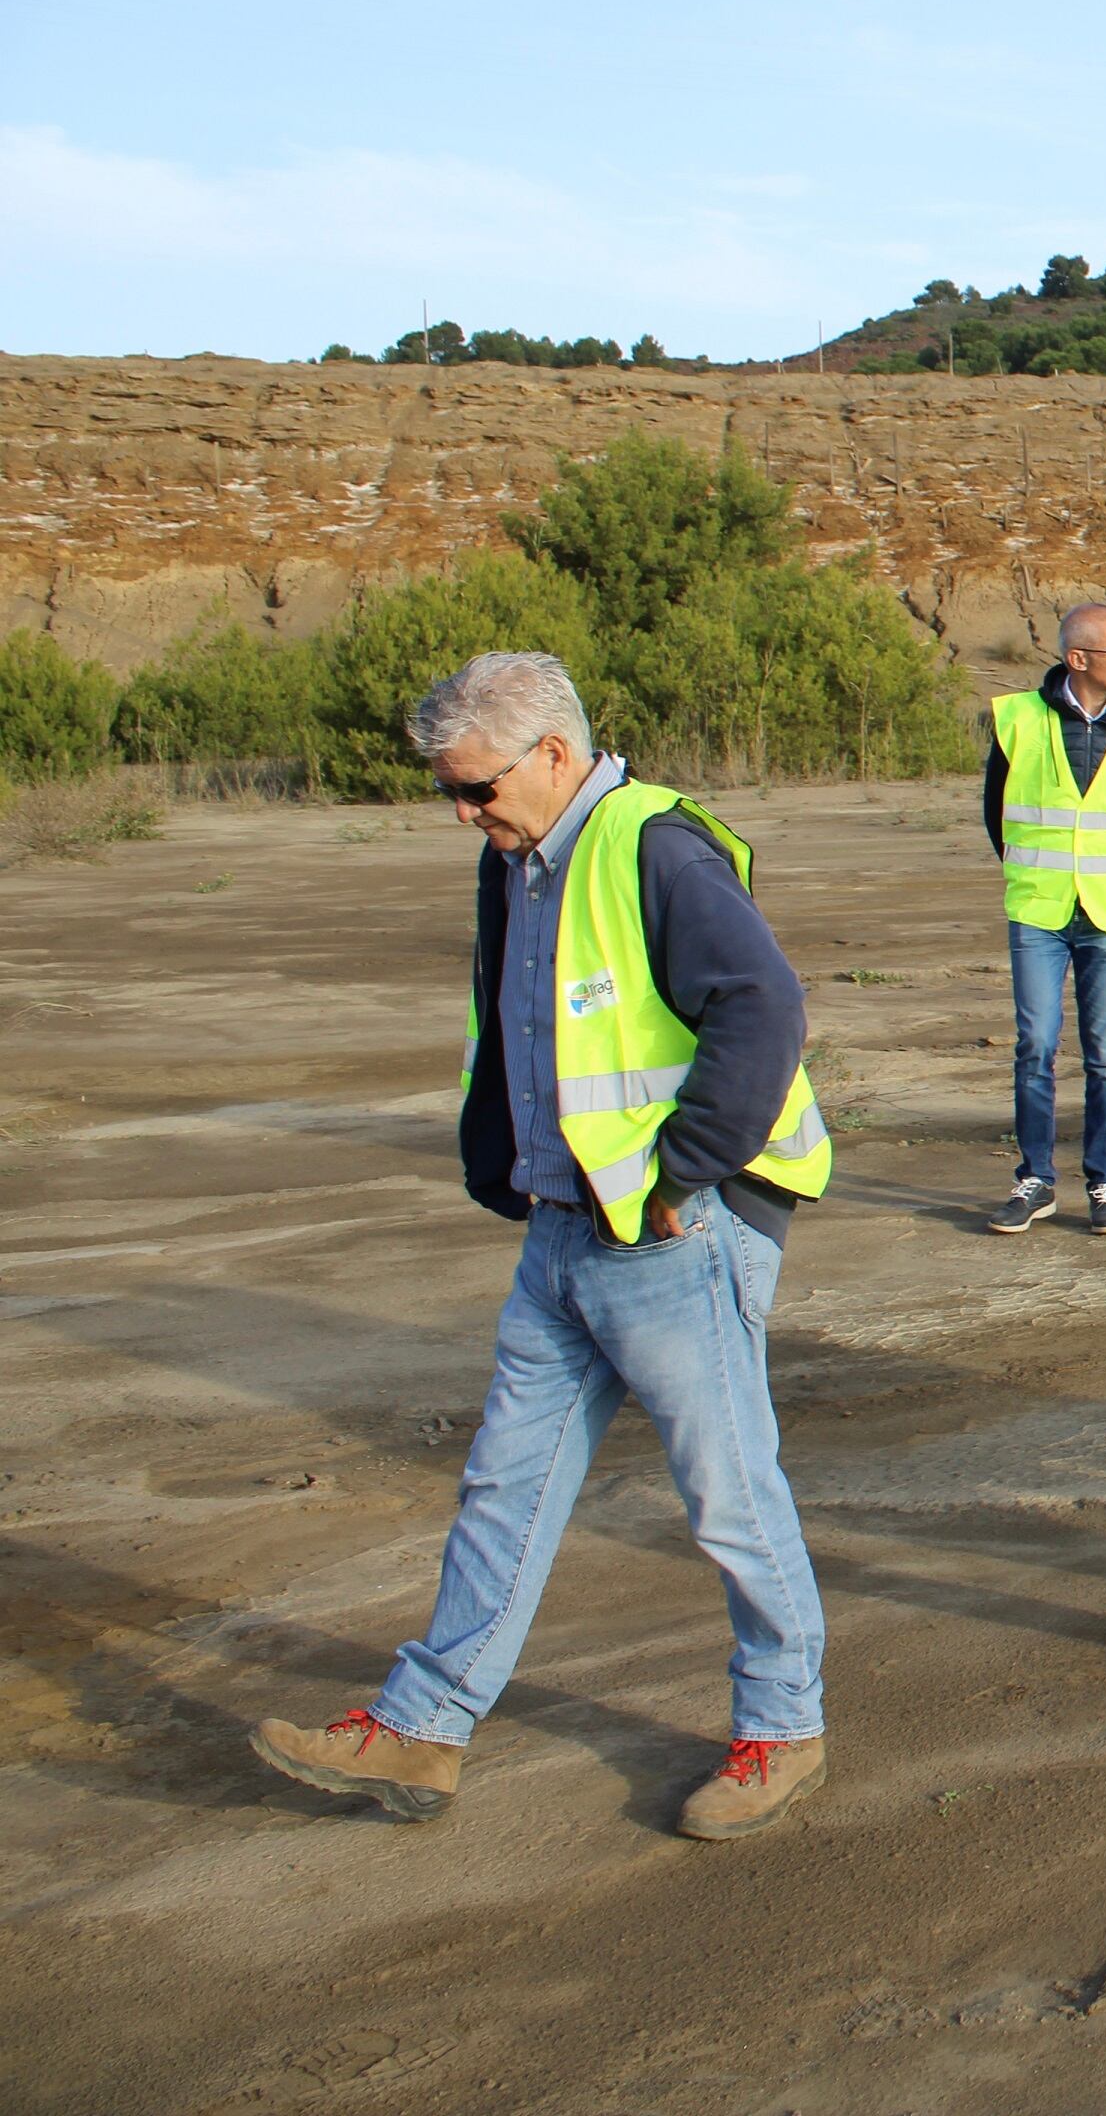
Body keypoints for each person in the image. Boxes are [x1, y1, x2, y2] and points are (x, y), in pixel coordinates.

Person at [249, 651, 837, 1840]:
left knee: (730, 1498)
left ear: (554, 754)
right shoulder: (514, 861)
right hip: (564, 1230)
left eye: (477, 789)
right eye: (448, 794)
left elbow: (764, 1006)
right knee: (502, 1490)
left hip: (672, 1235)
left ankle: (783, 1729)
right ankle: (424, 1726)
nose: (465, 814)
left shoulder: (655, 847)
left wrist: (679, 1175)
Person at [984, 602, 1106, 1237]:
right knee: (1035, 1047)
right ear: (1078, 659)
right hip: (1037, 910)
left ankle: (1104, 1186)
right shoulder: (1018, 718)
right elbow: (996, 813)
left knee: (1105, 1055)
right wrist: (1039, 875)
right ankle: (1035, 1180)